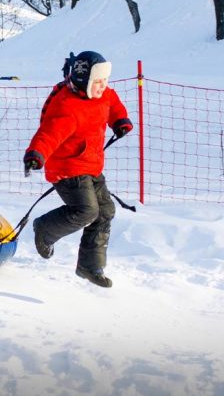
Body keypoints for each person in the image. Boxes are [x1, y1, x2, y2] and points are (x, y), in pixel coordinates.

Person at [23, 51, 133, 288]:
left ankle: (89, 266)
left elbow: (112, 103)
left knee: (104, 211)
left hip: (91, 164)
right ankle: (44, 229)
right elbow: (48, 134)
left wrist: (119, 120)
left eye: (105, 81)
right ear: (83, 81)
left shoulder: (102, 95)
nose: (103, 86)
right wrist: (36, 154)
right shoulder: (67, 106)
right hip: (66, 168)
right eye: (97, 82)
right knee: (86, 210)